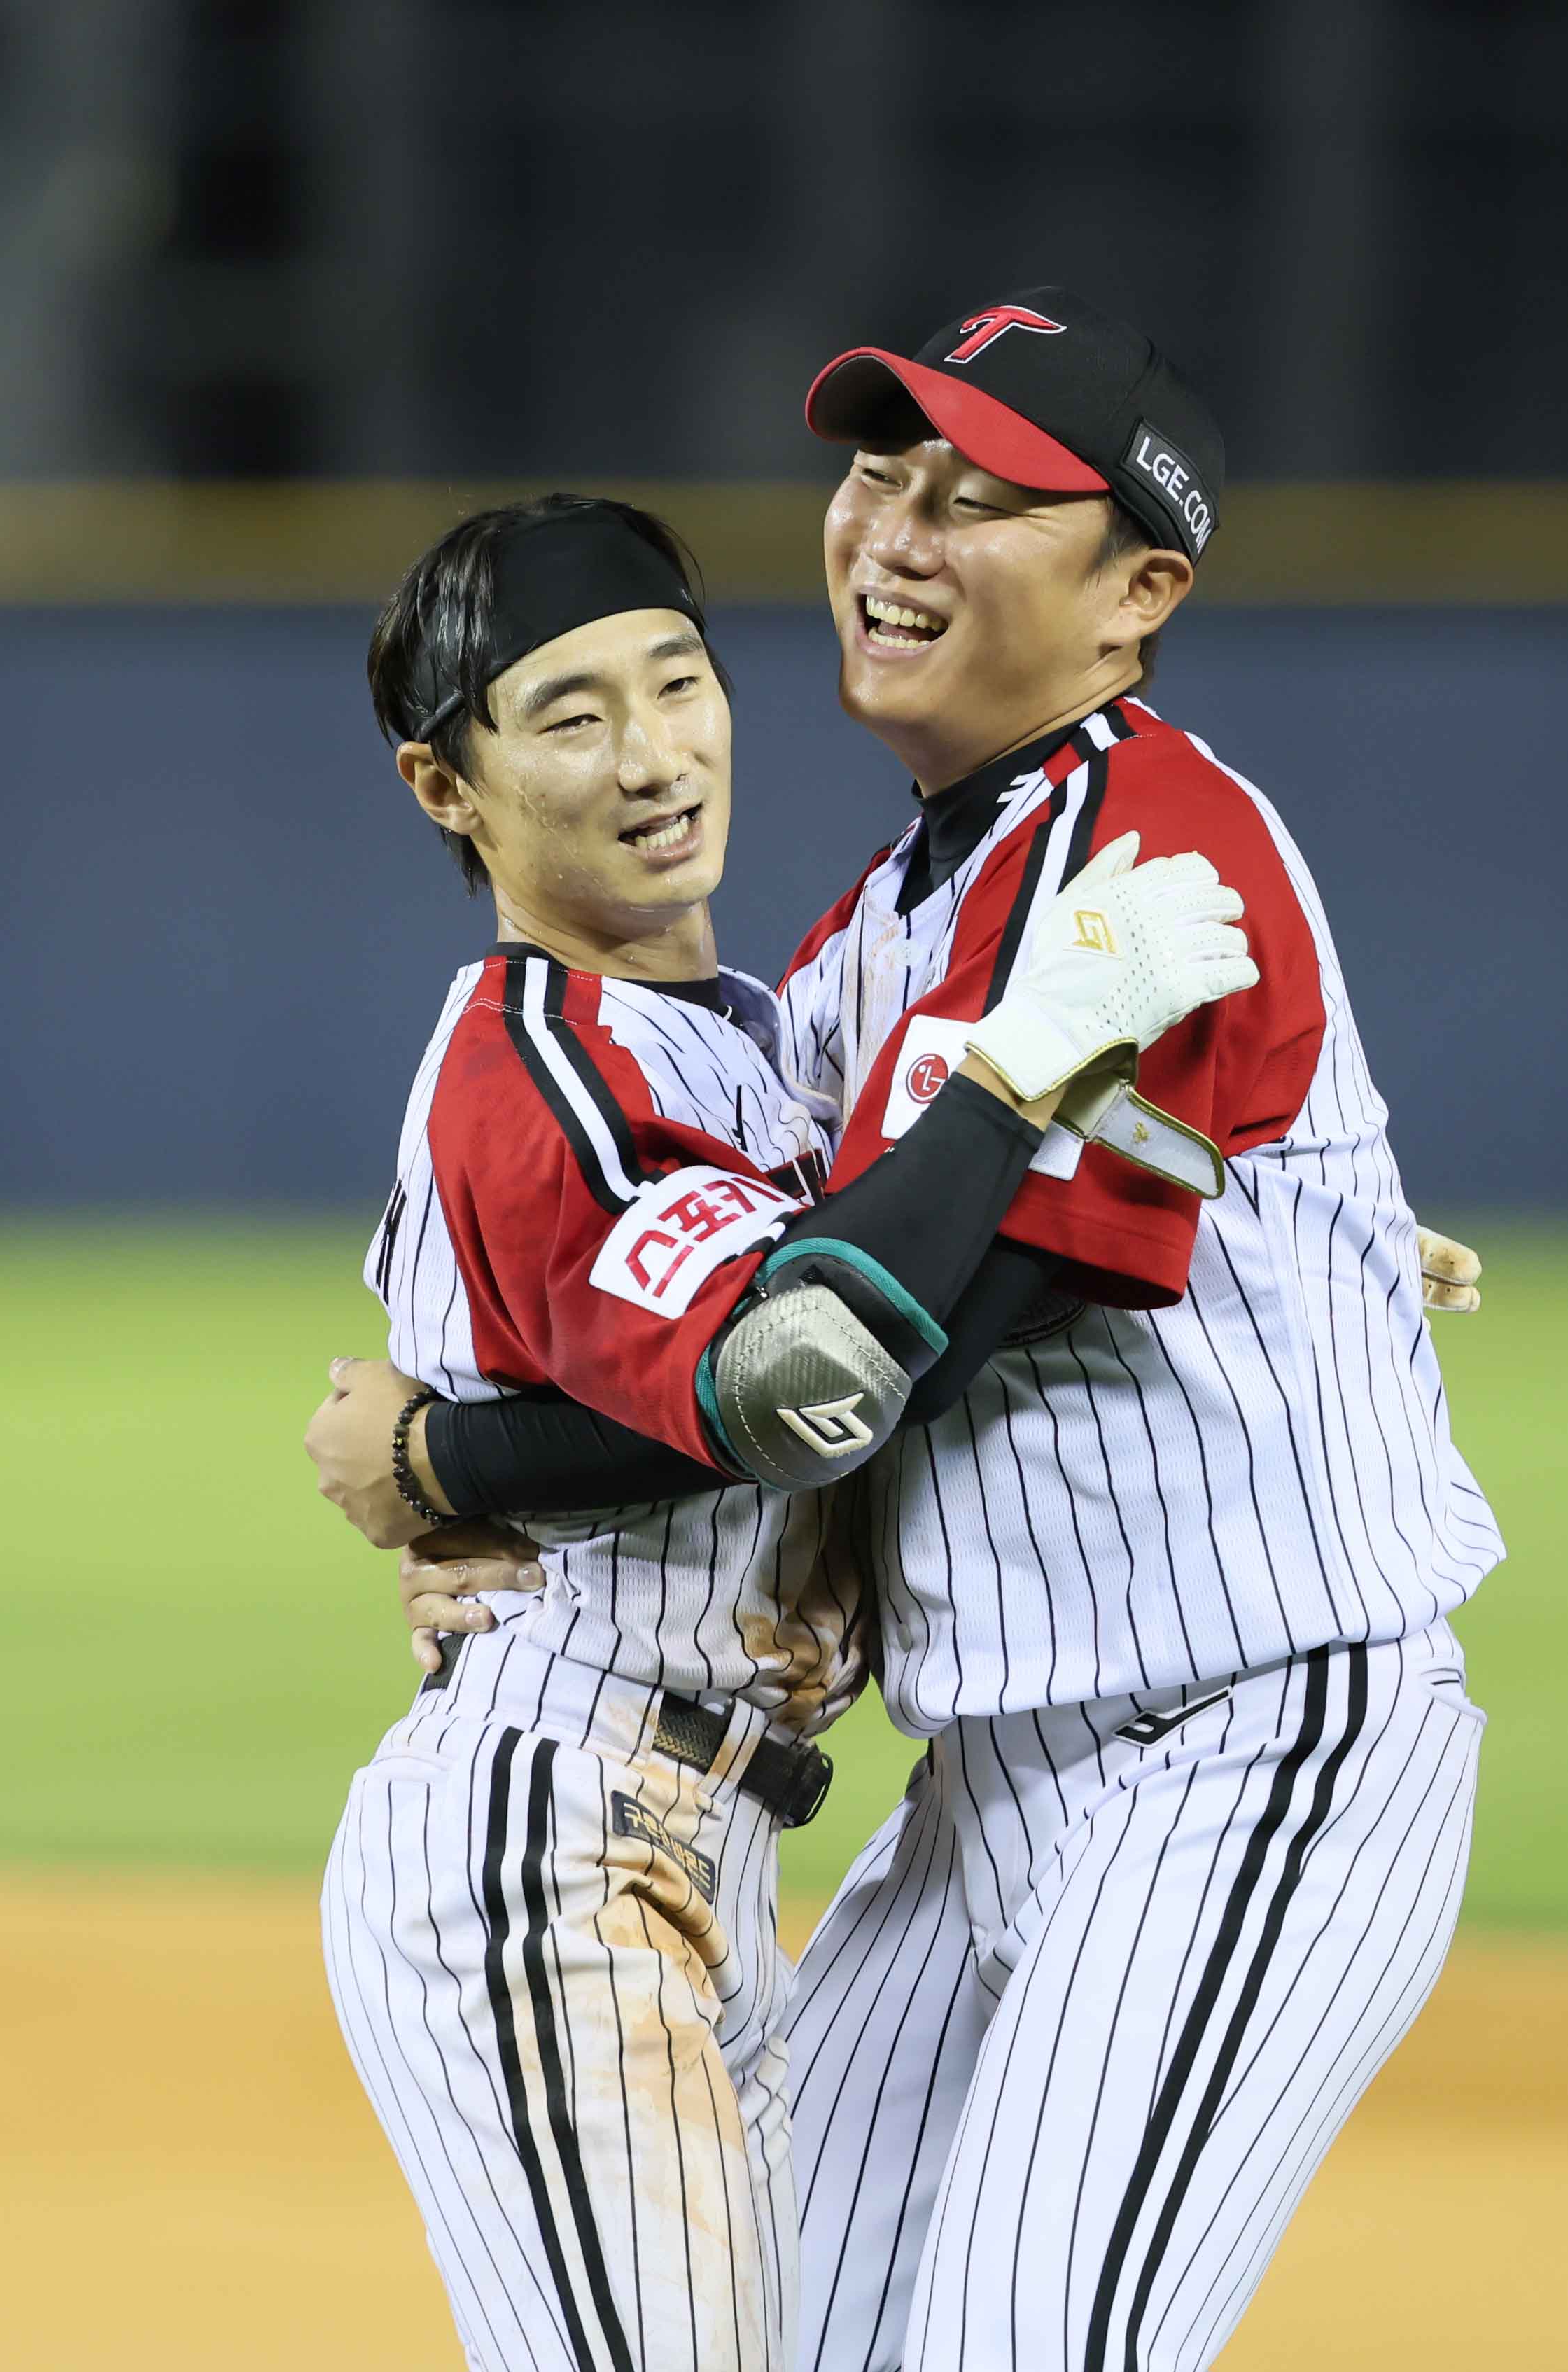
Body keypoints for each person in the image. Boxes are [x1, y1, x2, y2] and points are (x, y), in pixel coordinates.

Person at [310, 292, 1497, 2371]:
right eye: (879, 475)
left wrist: (442, 1468)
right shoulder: (860, 941)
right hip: (991, 1788)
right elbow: (801, 1285)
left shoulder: (1150, 845)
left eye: (982, 501)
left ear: (1138, 594)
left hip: (1243, 1741)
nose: (896, 531)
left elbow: (874, 1347)